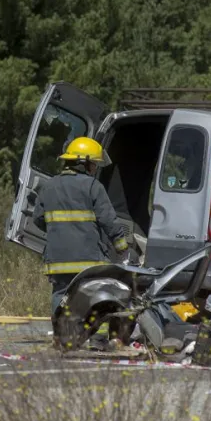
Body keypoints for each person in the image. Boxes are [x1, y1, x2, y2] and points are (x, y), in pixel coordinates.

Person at [32, 137, 129, 321]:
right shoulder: (93, 186)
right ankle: (97, 340)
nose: (94, 169)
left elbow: (38, 219)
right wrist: (122, 247)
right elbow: (109, 221)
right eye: (93, 164)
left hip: (58, 260)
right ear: (83, 163)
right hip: (88, 260)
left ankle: (62, 337)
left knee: (61, 295)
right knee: (97, 295)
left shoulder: (49, 186)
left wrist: (59, 229)